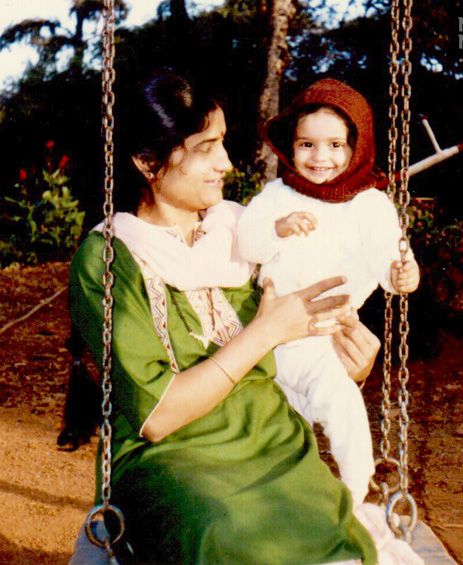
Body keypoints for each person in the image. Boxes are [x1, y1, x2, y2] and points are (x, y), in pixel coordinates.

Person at [69, 70, 423, 565]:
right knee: (227, 535)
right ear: (148, 161)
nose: (226, 163)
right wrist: (266, 331)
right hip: (172, 457)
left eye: (225, 145)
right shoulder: (112, 256)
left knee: (335, 535)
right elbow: (158, 417)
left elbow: (290, 359)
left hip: (274, 442)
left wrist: (348, 368)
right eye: (207, 147)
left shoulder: (242, 231)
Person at [236, 78, 420, 507]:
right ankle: (284, 498)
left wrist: (402, 274)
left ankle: (356, 493)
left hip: (326, 340)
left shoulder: (369, 204)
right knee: (282, 425)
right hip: (272, 338)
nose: (320, 158)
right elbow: (247, 244)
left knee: (343, 408)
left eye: (336, 145)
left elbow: (389, 257)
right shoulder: (277, 195)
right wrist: (276, 230)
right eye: (307, 145)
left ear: (357, 146)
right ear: (290, 145)